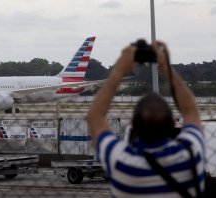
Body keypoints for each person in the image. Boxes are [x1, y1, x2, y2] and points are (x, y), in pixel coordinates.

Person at [87, 41, 205, 197]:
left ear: (133, 125)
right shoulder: (190, 154)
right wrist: (166, 67)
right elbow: (191, 111)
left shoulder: (121, 162)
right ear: (172, 124)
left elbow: (94, 117)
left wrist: (118, 72)